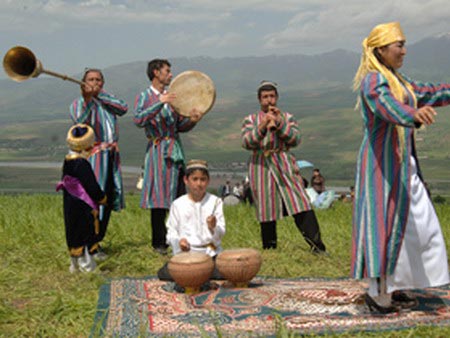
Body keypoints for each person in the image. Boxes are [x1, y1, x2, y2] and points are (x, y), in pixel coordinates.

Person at [351, 22, 450, 313]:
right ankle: (379, 294)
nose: (404, 51)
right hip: (381, 167)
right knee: (382, 225)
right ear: (381, 49)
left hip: (403, 166)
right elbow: (388, 107)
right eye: (399, 45)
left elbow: (429, 93)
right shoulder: (373, 81)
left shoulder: (399, 80)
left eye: (404, 44)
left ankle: (400, 284)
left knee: (416, 224)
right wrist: (413, 114)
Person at [241, 81, 326, 253]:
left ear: (277, 98)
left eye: (272, 96)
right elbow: (246, 142)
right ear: (259, 100)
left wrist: (278, 123)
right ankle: (270, 249)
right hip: (261, 165)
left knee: (299, 202)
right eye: (265, 97)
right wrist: (264, 125)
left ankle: (317, 247)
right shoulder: (250, 120)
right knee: (266, 207)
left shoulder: (287, 117)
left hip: (283, 161)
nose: (269, 100)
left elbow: (295, 139)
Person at [133, 59, 203, 255]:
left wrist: (193, 121)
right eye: (167, 71)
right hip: (157, 149)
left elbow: (180, 125)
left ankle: (181, 239)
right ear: (156, 73)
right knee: (158, 197)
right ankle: (158, 242)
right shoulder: (145, 96)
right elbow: (138, 119)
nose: (171, 75)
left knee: (179, 195)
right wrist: (158, 103)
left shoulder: (173, 97)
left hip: (174, 148)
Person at [70, 68, 128, 259]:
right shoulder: (78, 104)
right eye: (90, 79)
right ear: (83, 82)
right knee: (93, 198)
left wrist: (99, 95)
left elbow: (123, 108)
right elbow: (80, 122)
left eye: (98, 79)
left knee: (108, 198)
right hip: (92, 157)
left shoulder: (107, 101)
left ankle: (98, 241)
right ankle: (89, 244)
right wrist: (87, 99)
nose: (95, 82)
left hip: (110, 156)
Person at [157, 160, 225, 281]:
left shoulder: (215, 202)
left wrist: (213, 227)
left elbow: (221, 233)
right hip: (186, 254)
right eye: (195, 179)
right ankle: (198, 274)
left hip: (210, 254)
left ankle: (198, 274)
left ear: (208, 181)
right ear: (186, 180)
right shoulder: (177, 204)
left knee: (224, 271)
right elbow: (171, 232)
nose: (199, 184)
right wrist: (179, 242)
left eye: (203, 179)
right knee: (164, 273)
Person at [56, 124, 107, 273]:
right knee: (85, 233)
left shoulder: (68, 160)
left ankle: (75, 266)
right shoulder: (81, 163)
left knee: (73, 232)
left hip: (70, 202)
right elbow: (91, 186)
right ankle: (88, 268)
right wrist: (101, 197)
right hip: (83, 204)